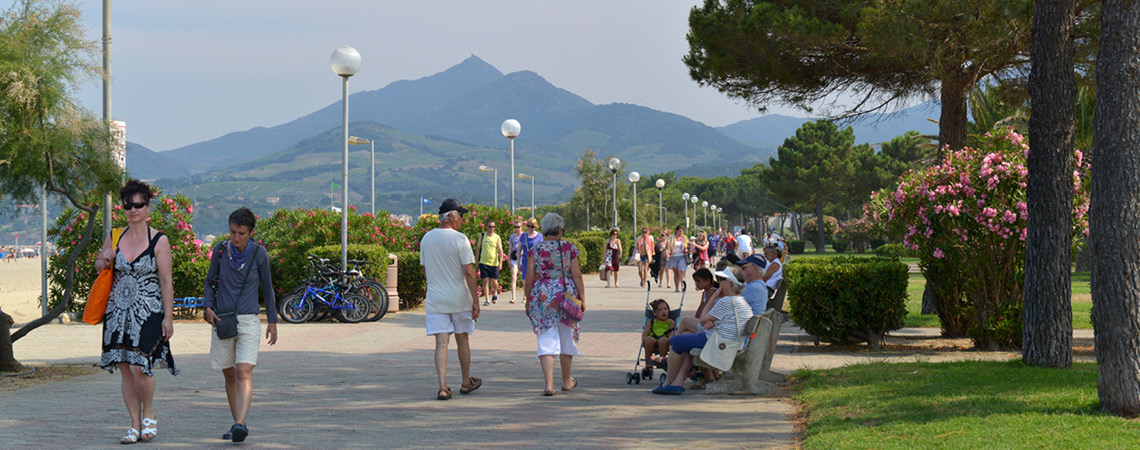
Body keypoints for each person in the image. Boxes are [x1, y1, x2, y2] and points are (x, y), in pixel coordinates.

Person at [95, 179, 179, 444]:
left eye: (138, 205)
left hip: (149, 311)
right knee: (125, 367)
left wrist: (168, 316)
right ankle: (133, 424)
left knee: (140, 366)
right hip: (118, 311)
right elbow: (100, 266)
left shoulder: (159, 240)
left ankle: (149, 414)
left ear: (147, 207)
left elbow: (166, 281)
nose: (133, 210)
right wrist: (104, 259)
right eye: (128, 206)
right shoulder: (116, 236)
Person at [202, 207, 279, 443]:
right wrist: (207, 307)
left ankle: (238, 424)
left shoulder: (259, 254)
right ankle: (239, 423)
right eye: (233, 232)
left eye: (241, 233)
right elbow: (209, 281)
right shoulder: (221, 250)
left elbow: (267, 287)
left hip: (249, 320)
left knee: (243, 370)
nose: (236, 238)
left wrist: (273, 321)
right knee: (228, 374)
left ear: (251, 232)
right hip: (223, 319)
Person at [652, 265, 753, 395]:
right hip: (730, 342)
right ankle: (678, 382)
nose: (719, 282)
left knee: (676, 341)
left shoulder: (727, 301)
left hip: (718, 343)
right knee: (687, 336)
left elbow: (702, 319)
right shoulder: (741, 301)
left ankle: (668, 383)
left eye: (722, 280)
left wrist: (714, 295)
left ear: (729, 283)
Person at [420, 198, 482, 401]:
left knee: (441, 343)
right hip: (459, 297)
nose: (463, 220)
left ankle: (443, 387)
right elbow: (469, 272)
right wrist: (476, 299)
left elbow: (424, 268)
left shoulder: (426, 239)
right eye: (461, 216)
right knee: (462, 338)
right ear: (452, 216)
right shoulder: (460, 239)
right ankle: (465, 381)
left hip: (436, 298)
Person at [523, 213, 586, 396]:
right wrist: (582, 298)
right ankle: (566, 382)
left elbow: (528, 279)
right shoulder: (569, 247)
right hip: (565, 295)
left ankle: (549, 385)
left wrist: (528, 300)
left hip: (542, 295)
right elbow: (577, 275)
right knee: (567, 336)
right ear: (559, 230)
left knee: (546, 337)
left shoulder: (535, 249)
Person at [474, 220, 506, 306]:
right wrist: (477, 261)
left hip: (494, 262)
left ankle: (495, 292)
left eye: (493, 227)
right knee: (485, 280)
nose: (492, 228)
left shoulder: (497, 237)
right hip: (484, 261)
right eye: (490, 226)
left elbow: (500, 250)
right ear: (486, 227)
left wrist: (500, 263)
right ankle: (487, 299)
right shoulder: (482, 236)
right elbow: (478, 248)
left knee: (495, 281)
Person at [641, 299, 674, 367]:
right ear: (655, 313)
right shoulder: (651, 321)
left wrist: (671, 339)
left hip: (664, 342)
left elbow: (671, 333)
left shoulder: (670, 322)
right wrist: (644, 338)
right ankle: (648, 361)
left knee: (663, 340)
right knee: (648, 339)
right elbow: (646, 331)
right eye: (660, 310)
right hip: (653, 340)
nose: (663, 311)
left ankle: (662, 360)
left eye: (665, 309)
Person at [663, 225, 689, 292]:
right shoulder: (670, 238)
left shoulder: (684, 238)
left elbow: (689, 246)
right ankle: (677, 287)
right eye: (680, 231)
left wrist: (688, 250)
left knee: (682, 271)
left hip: (682, 256)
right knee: (676, 273)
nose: (681, 233)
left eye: (682, 231)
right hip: (673, 257)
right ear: (676, 231)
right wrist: (667, 255)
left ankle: (683, 286)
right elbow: (667, 248)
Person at [518, 217, 543, 283]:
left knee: (535, 282)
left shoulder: (539, 236)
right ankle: (526, 293)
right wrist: (518, 263)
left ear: (535, 226)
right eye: (528, 226)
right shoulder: (523, 236)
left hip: (535, 261)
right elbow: (519, 250)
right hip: (525, 260)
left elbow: (542, 250)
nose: (530, 228)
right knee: (525, 282)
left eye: (532, 226)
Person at [508, 222, 524, 303]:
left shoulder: (524, 235)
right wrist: (509, 259)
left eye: (518, 227)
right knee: (514, 277)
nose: (517, 229)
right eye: (515, 227)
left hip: (522, 258)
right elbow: (510, 248)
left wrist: (521, 253)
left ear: (522, 227)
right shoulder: (512, 236)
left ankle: (525, 297)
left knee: (524, 278)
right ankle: (513, 297)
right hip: (514, 258)